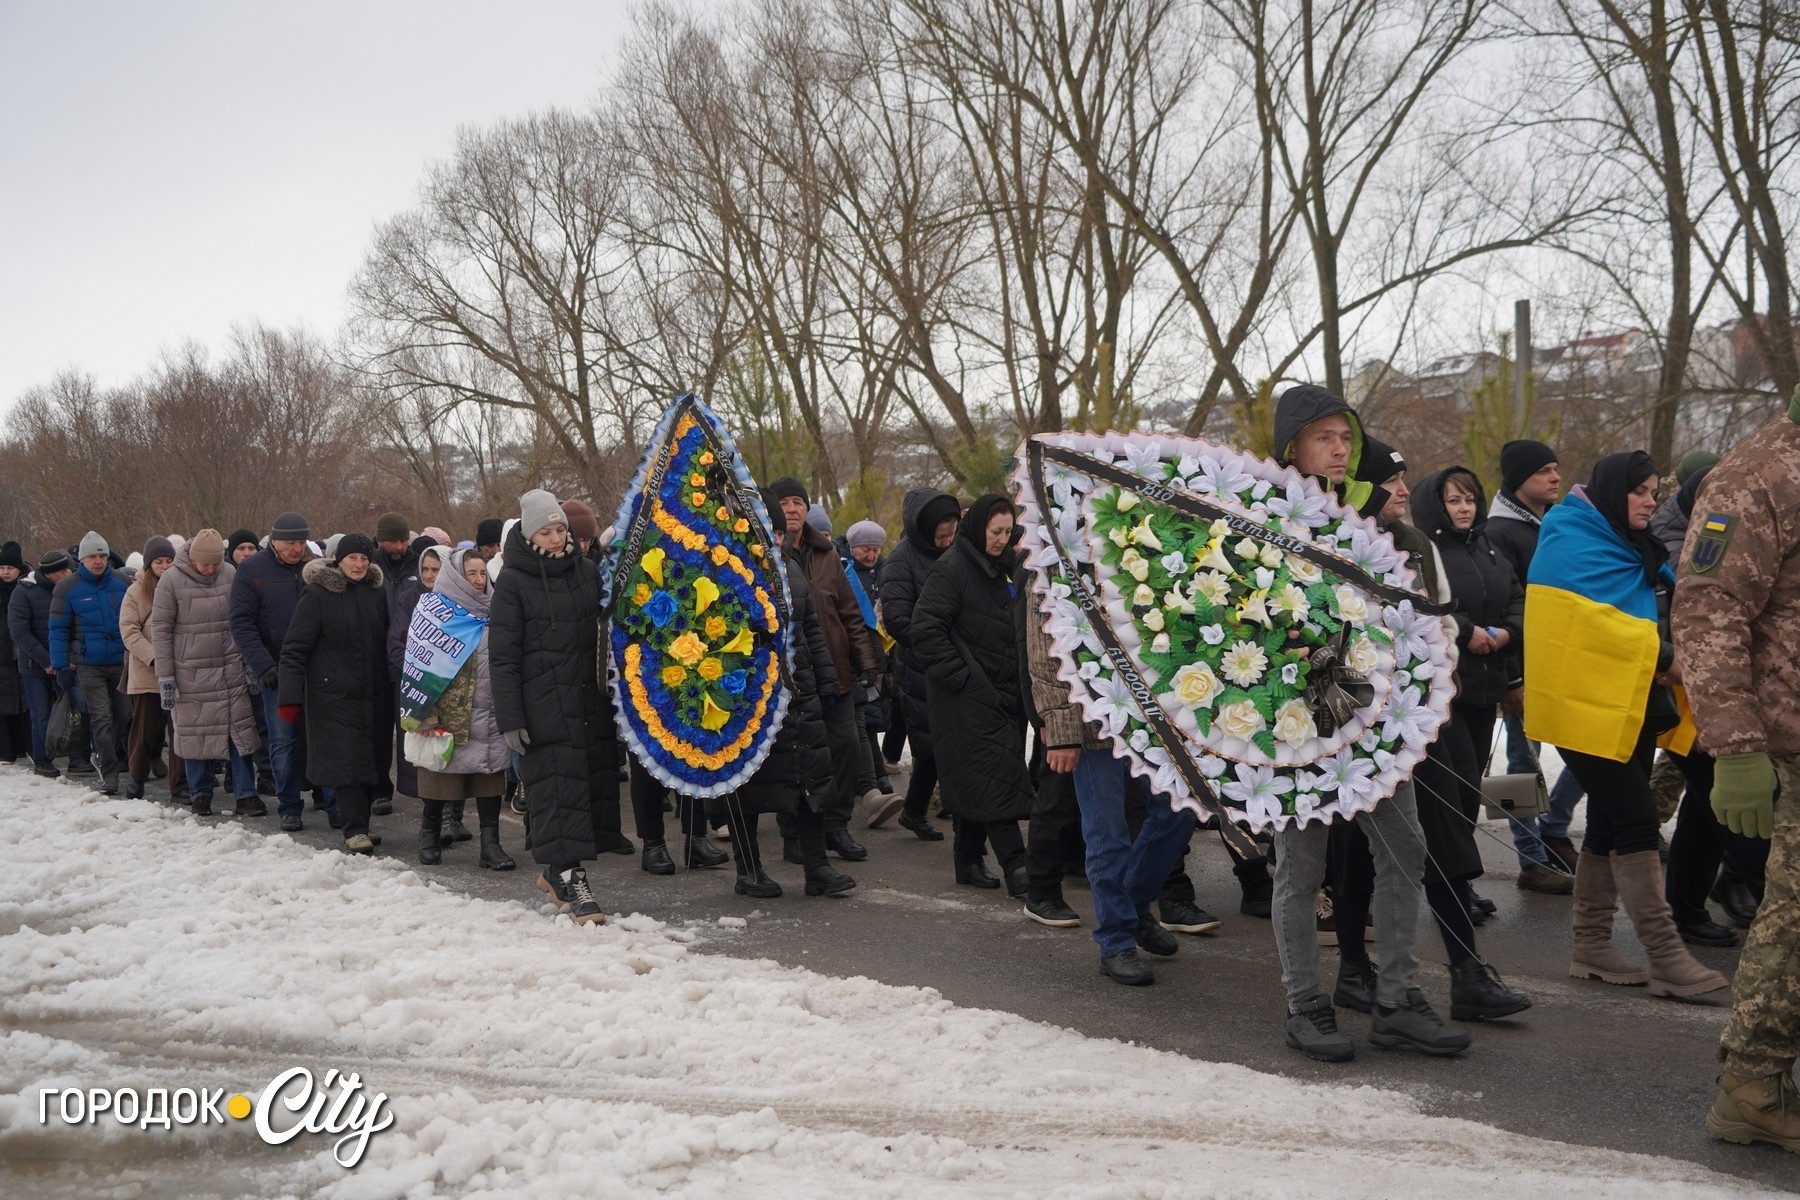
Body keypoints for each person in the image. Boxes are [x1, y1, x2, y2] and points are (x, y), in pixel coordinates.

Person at [1267, 385, 1469, 1061]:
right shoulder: (1263, 514)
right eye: (1323, 438)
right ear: (1292, 446)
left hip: (1376, 713)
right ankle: (1305, 1004)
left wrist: (1414, 683)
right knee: (1302, 868)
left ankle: (1397, 1000)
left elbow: (1404, 611)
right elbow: (1261, 621)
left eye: (1345, 438)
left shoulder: (1369, 521)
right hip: (1301, 716)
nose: (1339, 450)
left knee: (1405, 849)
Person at [1525, 450, 1727, 1000]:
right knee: (1638, 819)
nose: (1649, 501)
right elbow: (1589, 628)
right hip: (1579, 704)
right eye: (1639, 491)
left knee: (1610, 824)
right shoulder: (1569, 539)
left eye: (1655, 492)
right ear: (1614, 492)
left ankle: (1591, 945)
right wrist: (1664, 656)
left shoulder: (1629, 542)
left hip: (1629, 698)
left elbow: (1655, 604)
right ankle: (1666, 956)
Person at [1668, 400, 1800, 1152]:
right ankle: (1754, 1084)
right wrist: (1738, 748)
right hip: (1790, 743)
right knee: (1794, 918)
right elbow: (1707, 611)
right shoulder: (1758, 473)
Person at [1405, 465, 1534, 1019]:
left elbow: (1516, 597)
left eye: (1470, 499)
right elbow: (1427, 610)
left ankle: (1460, 895)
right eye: (1453, 500)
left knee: (1468, 799)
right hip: (1444, 696)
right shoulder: (1422, 550)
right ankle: (1453, 938)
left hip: (1487, 686)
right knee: (1447, 813)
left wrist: (1506, 636)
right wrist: (1466, 629)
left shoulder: (1489, 547)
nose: (1464, 508)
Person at [727, 488, 858, 898]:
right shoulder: (729, 570)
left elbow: (811, 629)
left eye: (781, 533)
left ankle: (816, 867)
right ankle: (749, 870)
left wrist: (825, 680)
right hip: (750, 697)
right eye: (769, 531)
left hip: (799, 693)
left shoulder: (791, 569)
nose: (777, 540)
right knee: (747, 784)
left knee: (810, 778)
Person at [490, 490, 608, 924]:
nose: (557, 539)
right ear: (529, 535)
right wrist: (510, 718)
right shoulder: (513, 582)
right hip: (541, 707)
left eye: (561, 529)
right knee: (555, 792)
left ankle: (558, 871)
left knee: (580, 792)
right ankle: (570, 878)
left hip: (586, 702)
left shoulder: (587, 572)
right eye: (546, 532)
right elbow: (503, 656)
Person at [911, 494, 1034, 896]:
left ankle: (967, 858)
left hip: (1000, 691)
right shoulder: (952, 569)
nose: (1002, 539)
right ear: (979, 528)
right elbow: (925, 630)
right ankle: (1017, 866)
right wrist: (964, 680)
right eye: (995, 531)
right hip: (966, 697)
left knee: (977, 778)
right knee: (993, 778)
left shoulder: (999, 566)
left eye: (1008, 531)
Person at [1487, 439, 1583, 889]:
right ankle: (1530, 859)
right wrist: (1513, 677)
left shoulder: (1548, 524)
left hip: (1561, 661)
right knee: (1523, 763)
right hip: (1524, 669)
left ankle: (1555, 828)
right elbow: (1504, 606)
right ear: (1519, 478)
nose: (1555, 477)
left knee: (1589, 751)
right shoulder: (1501, 531)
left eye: (1556, 468)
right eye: (1544, 470)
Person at [767, 478, 879, 862]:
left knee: (846, 749)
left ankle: (836, 826)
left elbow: (849, 613)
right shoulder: (765, 552)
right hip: (791, 678)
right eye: (784, 502)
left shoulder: (827, 553)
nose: (792, 508)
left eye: (798, 502)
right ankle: (794, 834)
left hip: (836, 672)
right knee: (794, 758)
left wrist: (866, 661)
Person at [279, 533, 391, 853]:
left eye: (365, 559)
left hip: (374, 692)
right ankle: (354, 830)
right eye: (353, 557)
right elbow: (294, 649)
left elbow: (385, 640)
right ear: (339, 560)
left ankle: (362, 825)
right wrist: (289, 697)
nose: (359, 564)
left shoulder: (375, 593)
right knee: (347, 762)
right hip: (333, 695)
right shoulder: (318, 594)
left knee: (370, 760)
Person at [405, 549, 515, 870]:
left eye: (482, 573)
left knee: (489, 782)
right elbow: (418, 666)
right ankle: (429, 837)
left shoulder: (495, 611)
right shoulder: (433, 611)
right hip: (448, 716)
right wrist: (425, 716)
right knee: (439, 781)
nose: (479, 580)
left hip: (490, 714)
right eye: (471, 574)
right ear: (455, 576)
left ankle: (490, 847)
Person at [153, 530, 263, 818]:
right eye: (205, 564)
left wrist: (250, 665)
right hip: (190, 672)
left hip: (230, 669)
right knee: (194, 734)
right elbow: (161, 631)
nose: (211, 569)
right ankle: (200, 793)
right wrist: (166, 678)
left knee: (239, 733)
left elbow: (244, 620)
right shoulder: (170, 581)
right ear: (193, 559)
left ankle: (246, 795)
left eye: (216, 564)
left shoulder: (231, 573)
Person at [231, 512, 329, 831]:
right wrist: (263, 666)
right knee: (283, 741)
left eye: (302, 542)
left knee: (322, 736)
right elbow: (241, 623)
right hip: (276, 671)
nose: (297, 549)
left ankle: (332, 800)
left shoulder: (316, 569)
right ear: (274, 541)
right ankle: (289, 805)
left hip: (317, 669)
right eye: (290, 543)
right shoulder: (251, 570)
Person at [878, 487, 962, 842]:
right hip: (919, 664)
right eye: (940, 537)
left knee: (944, 742)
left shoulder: (957, 552)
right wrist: (936, 642)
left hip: (955, 659)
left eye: (952, 534)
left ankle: (917, 810)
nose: (947, 542)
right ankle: (922, 810)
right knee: (931, 744)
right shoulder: (901, 561)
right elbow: (897, 619)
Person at [49, 531, 133, 796]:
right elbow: (57, 628)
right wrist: (61, 665)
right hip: (89, 664)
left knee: (124, 715)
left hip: (120, 661)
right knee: (101, 717)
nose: (98, 561)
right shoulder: (67, 587)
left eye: (102, 556)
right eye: (92, 557)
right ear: (82, 560)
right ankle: (109, 773)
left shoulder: (121, 582)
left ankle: (105, 754)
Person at [388, 543, 452, 833]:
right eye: (425, 569)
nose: (428, 575)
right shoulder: (409, 599)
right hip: (418, 682)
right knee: (426, 748)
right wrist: (419, 670)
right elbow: (396, 641)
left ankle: (453, 814)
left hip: (452, 684)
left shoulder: (459, 599)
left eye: (435, 570)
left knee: (450, 747)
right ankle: (433, 817)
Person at [844, 518, 901, 819]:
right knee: (863, 721)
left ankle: (876, 776)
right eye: (865, 549)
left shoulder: (886, 571)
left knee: (874, 719)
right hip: (863, 656)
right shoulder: (848, 575)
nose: (871, 555)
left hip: (886, 655)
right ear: (853, 548)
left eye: (876, 550)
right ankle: (873, 779)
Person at [119, 537, 181, 800]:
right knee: (144, 729)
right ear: (149, 564)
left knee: (179, 730)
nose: (164, 566)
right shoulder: (135, 592)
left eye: (169, 561)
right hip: (147, 671)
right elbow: (129, 630)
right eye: (159, 562)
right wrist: (154, 657)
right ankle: (136, 779)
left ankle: (180, 784)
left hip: (179, 669)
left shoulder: (181, 586)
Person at [9, 548, 79, 777]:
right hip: (35, 666)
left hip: (67, 662)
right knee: (41, 715)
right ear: (51, 573)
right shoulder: (24, 592)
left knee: (75, 709)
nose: (69, 574)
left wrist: (69, 658)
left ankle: (79, 757)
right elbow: (20, 632)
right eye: (64, 571)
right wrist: (48, 661)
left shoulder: (70, 588)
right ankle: (42, 759)